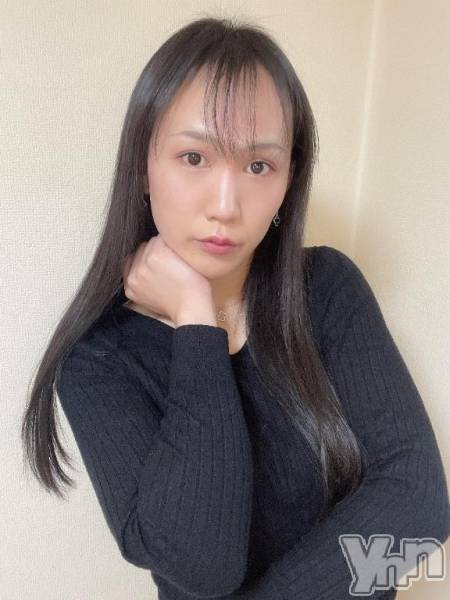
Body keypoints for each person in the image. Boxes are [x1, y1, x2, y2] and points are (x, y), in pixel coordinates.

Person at [21, 16, 449, 599]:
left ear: (288, 181)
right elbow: (204, 569)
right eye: (194, 158)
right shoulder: (97, 362)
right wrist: (197, 325)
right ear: (144, 167)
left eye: (258, 166)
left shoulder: (327, 289)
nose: (226, 205)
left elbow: (422, 515)